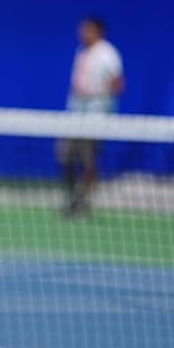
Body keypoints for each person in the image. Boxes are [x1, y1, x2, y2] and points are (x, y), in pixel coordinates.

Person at [56, 14, 124, 219]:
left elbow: (118, 86)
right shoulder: (81, 51)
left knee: (88, 162)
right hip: (75, 116)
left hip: (95, 118)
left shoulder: (108, 54)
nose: (82, 32)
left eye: (87, 29)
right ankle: (72, 197)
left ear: (98, 31)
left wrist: (92, 94)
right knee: (64, 155)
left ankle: (83, 202)